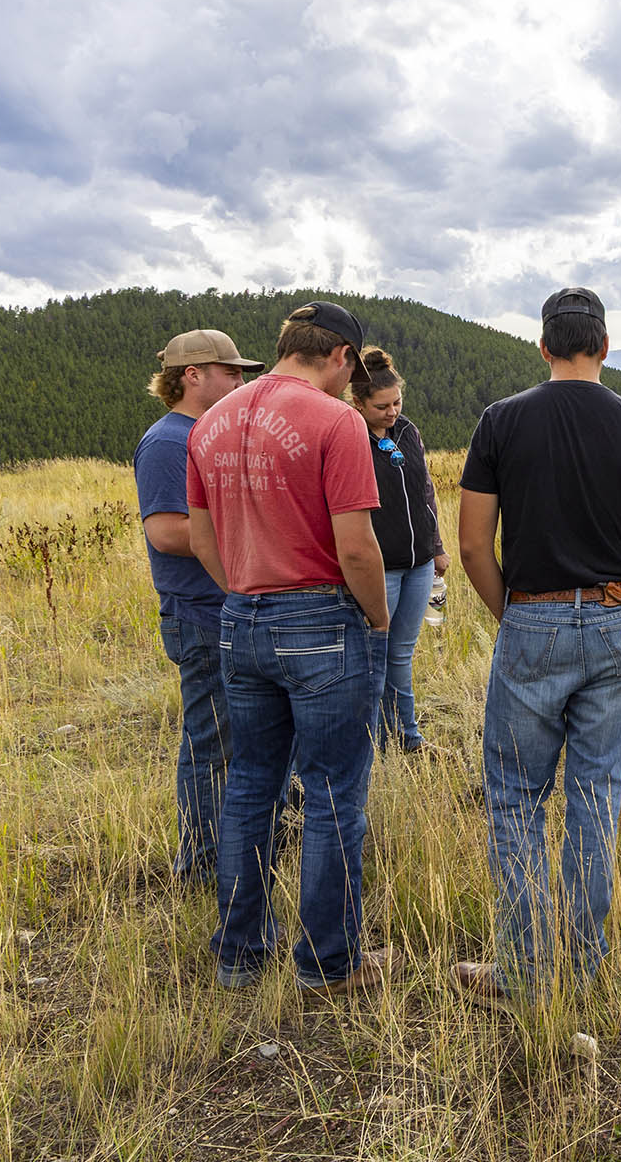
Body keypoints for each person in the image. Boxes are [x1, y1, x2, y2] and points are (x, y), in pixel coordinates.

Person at [451, 286, 621, 1006]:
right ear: (606, 346)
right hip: (615, 621)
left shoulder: (500, 421)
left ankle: (523, 974)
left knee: (517, 800)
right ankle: (585, 970)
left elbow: (470, 544)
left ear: (544, 346)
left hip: (532, 620)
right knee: (595, 796)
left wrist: (514, 616)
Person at [186, 300, 394, 998]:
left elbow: (201, 535)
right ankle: (328, 963)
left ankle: (240, 954)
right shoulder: (337, 422)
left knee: (249, 786)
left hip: (240, 617)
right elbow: (357, 546)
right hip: (321, 619)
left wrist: (244, 590)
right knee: (334, 794)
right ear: (339, 355)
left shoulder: (211, 422)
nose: (349, 383)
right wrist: (376, 618)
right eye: (350, 369)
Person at [133, 329, 261, 885]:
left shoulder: (207, 434)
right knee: (210, 741)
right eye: (230, 372)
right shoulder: (167, 443)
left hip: (229, 608)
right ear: (192, 376)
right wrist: (251, 539)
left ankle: (239, 847)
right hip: (200, 614)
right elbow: (165, 532)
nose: (240, 380)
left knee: (241, 737)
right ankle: (202, 863)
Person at [349, 346, 450, 754]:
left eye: (397, 402)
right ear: (358, 402)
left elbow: (425, 490)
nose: (392, 412)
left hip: (419, 563)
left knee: (401, 654)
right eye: (381, 406)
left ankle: (406, 736)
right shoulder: (349, 437)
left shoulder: (408, 431)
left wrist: (437, 546)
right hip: (380, 566)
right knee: (374, 654)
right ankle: (368, 740)